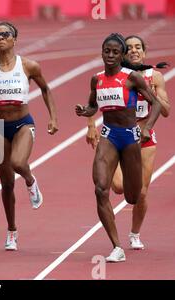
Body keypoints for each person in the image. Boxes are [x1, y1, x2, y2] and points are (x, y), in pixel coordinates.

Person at [0, 22, 58, 251]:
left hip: (22, 124)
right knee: (6, 184)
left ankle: (30, 181)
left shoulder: (29, 66)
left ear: (15, 39)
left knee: (18, 163)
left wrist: (53, 118)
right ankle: (11, 231)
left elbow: (46, 89)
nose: (1, 38)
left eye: (5, 34)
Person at [75, 33, 162, 262]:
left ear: (121, 55)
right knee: (100, 189)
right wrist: (86, 111)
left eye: (115, 52)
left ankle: (131, 231)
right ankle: (116, 247)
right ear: (102, 52)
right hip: (108, 136)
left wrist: (147, 128)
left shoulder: (132, 77)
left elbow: (156, 104)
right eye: (107, 51)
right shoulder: (96, 79)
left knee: (133, 196)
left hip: (131, 137)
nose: (111, 55)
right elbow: (94, 105)